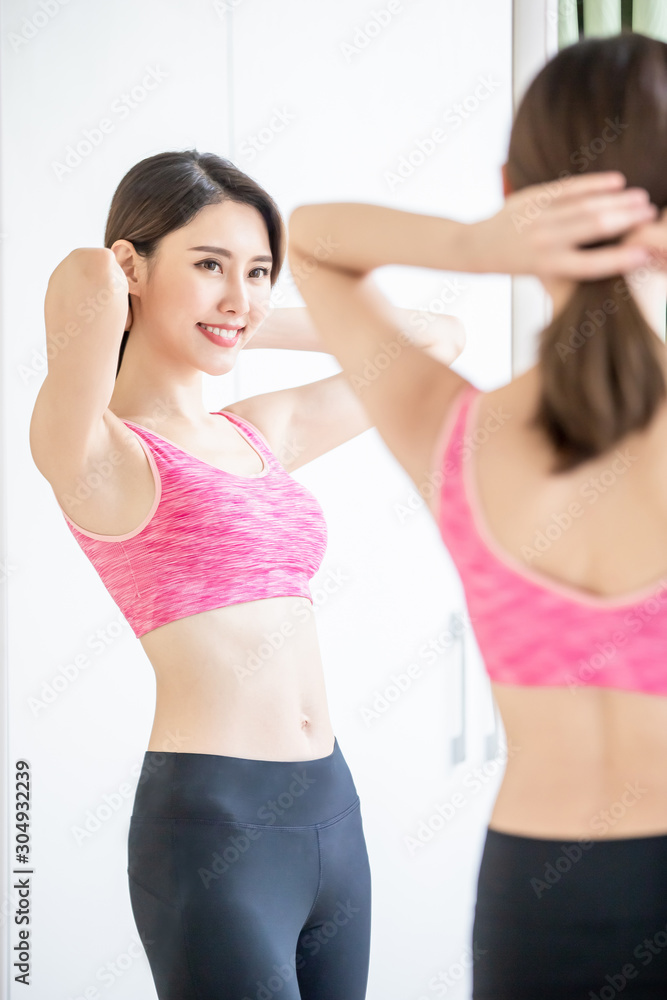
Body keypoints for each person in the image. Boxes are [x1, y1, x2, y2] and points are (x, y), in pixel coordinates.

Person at [28, 149, 464, 1000]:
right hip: (213, 822)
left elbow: (436, 340)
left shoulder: (260, 432)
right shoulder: (96, 451)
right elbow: (79, 275)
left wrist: (237, 313)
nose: (241, 291)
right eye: (208, 263)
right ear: (132, 267)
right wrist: (138, 281)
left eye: (259, 269)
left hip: (332, 809)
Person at [286, 31, 667, 1000]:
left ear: (512, 189)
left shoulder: (454, 435)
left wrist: (466, 246)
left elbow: (313, 241)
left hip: (538, 903)